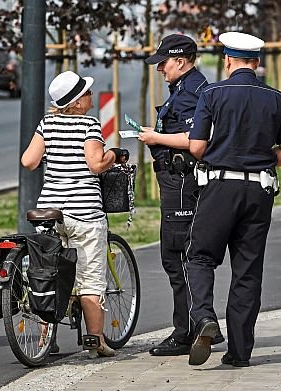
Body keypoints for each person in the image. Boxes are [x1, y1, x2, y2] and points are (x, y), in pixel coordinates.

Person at [185, 32, 281, 367]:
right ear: (257, 62)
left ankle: (205, 317)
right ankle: (239, 353)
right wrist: (262, 160)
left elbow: (196, 147)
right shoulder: (277, 98)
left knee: (202, 257)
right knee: (247, 270)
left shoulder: (212, 93)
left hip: (220, 186)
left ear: (228, 61)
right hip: (260, 191)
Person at [21, 70, 129, 359]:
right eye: (88, 93)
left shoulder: (47, 124)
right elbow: (95, 164)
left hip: (50, 211)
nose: (91, 96)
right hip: (84, 213)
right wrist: (114, 156)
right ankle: (96, 341)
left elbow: (29, 160)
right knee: (91, 278)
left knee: (49, 273)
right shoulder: (90, 125)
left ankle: (45, 339)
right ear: (77, 102)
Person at [139, 33, 224, 357]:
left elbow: (194, 138)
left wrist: (155, 136)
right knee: (183, 255)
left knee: (177, 256)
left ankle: (188, 331)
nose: (160, 69)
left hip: (181, 181)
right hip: (178, 179)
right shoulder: (186, 88)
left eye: (163, 63)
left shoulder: (191, 91)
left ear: (181, 61)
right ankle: (199, 324)